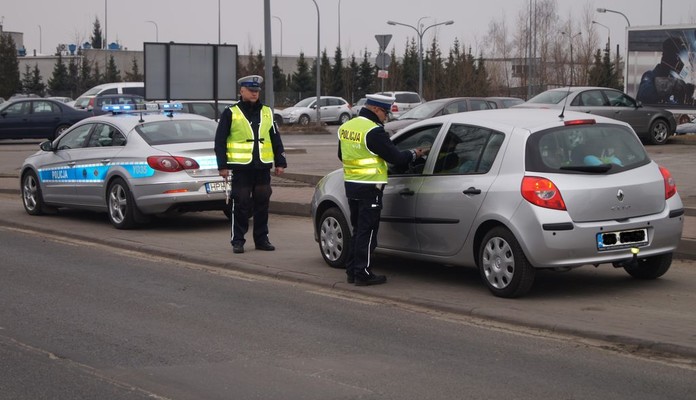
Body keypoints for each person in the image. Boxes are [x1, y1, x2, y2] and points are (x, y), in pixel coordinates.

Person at [338, 94, 427, 286]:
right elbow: (396, 157)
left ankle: (352, 271)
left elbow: (341, 155)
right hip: (370, 187)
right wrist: (414, 153)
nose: (385, 117)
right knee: (367, 231)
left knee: (358, 229)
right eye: (385, 113)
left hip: (351, 185)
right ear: (376, 109)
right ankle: (363, 273)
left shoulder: (347, 127)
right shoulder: (373, 131)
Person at [214, 75, 287, 254]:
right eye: (251, 90)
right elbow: (220, 141)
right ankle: (238, 241)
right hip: (241, 167)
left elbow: (275, 138)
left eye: (257, 91)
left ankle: (262, 239)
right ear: (242, 91)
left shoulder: (267, 112)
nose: (255, 93)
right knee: (241, 204)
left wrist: (280, 161)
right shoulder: (231, 112)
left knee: (262, 204)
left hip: (262, 166)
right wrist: (222, 166)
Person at [636, 37, 695, 106]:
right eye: (677, 58)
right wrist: (673, 84)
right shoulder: (650, 75)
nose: (679, 62)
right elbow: (644, 94)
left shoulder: (677, 80)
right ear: (667, 56)